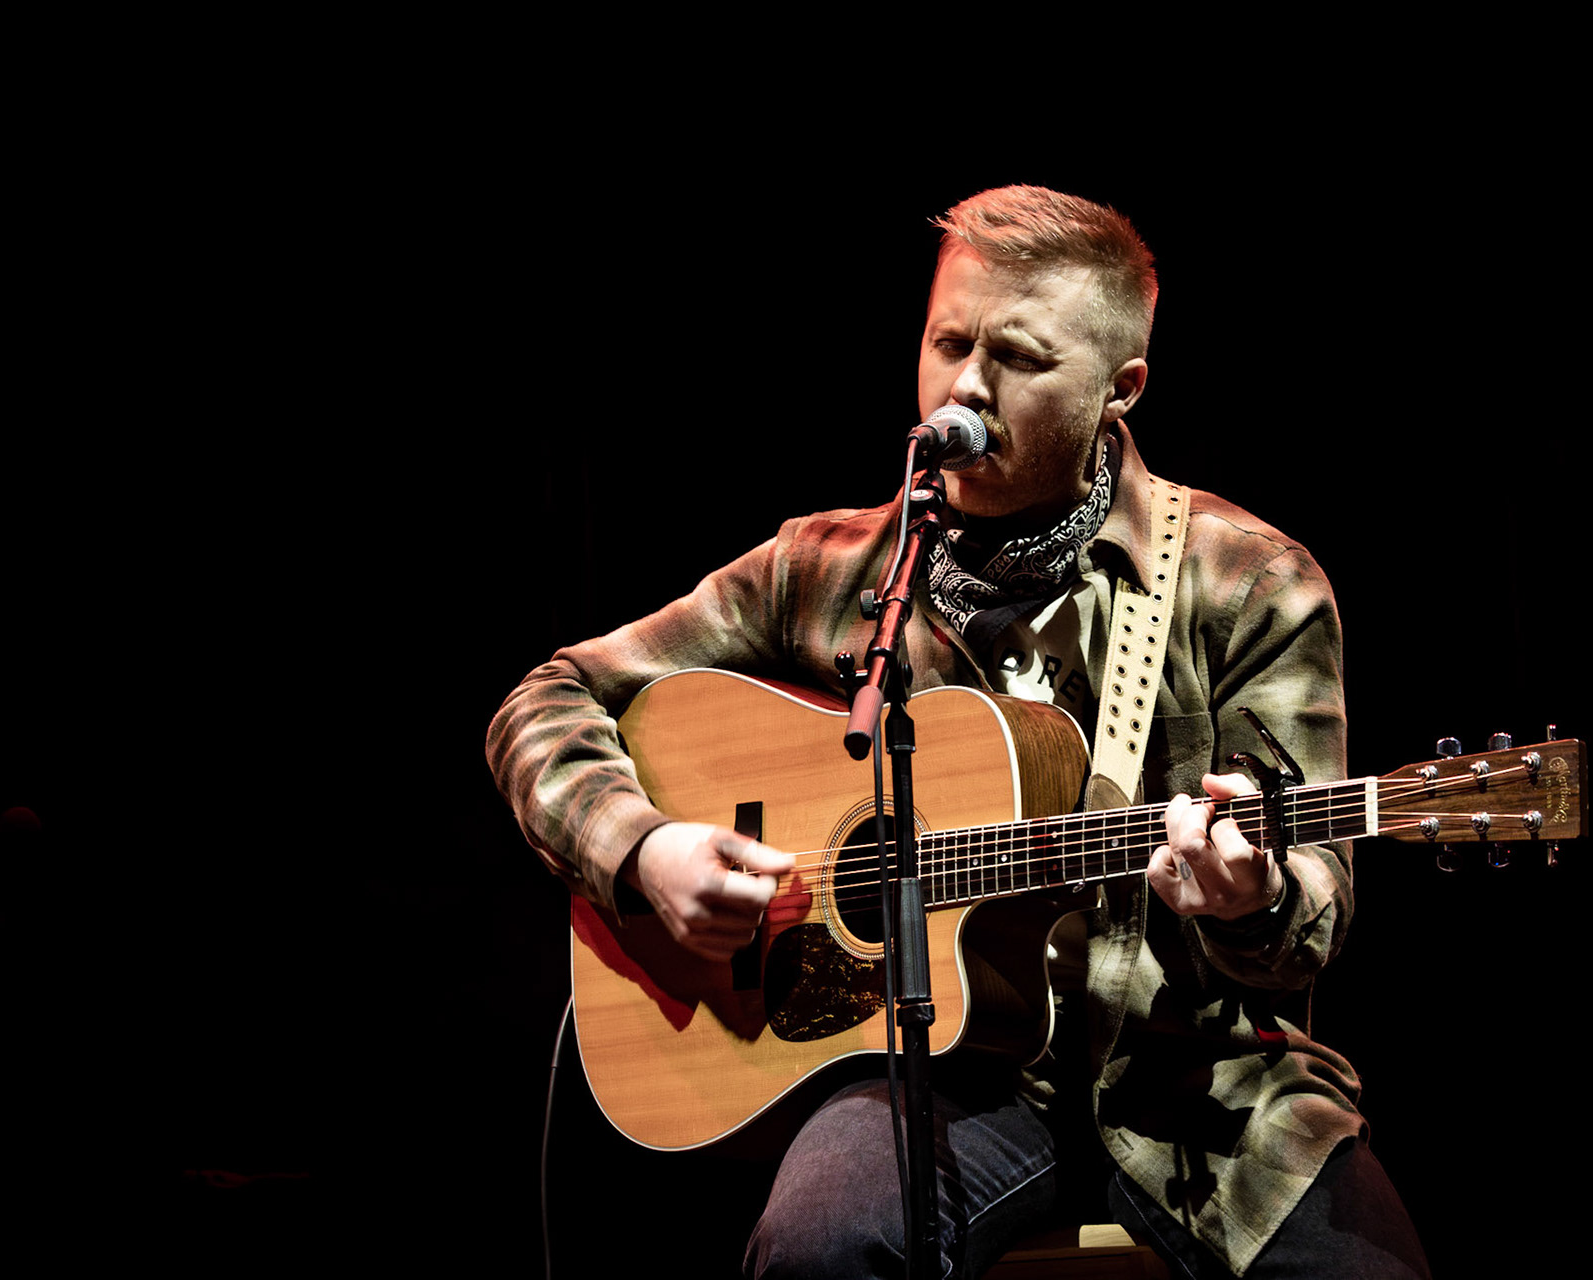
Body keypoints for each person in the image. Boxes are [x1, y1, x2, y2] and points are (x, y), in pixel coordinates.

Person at [486, 186, 1429, 1278]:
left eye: (1019, 357)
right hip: (941, 1076)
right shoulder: (828, 569)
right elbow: (548, 699)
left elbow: (1317, 898)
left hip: (1205, 1080)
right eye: (949, 343)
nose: (968, 385)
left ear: (1120, 388)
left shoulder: (1251, 584)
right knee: (815, 1252)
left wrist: (1251, 897)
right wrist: (643, 849)